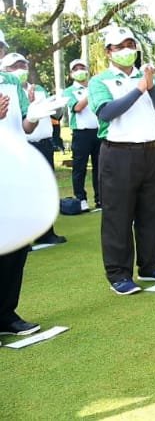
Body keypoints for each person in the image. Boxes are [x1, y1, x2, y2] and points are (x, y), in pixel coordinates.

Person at [89, 26, 155, 295]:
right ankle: (118, 273)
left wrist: (149, 87)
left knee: (151, 212)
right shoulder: (100, 81)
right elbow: (107, 112)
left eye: (130, 44)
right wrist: (139, 89)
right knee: (118, 215)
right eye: (119, 46)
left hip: (151, 151)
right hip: (118, 153)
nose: (127, 50)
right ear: (109, 52)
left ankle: (150, 265)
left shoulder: (148, 76)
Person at [0, 29, 49, 337]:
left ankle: (6, 313)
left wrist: (35, 115)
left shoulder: (11, 82)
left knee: (16, 245)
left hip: (14, 167)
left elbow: (24, 126)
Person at [0, 53, 67, 246]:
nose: (20, 69)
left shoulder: (16, 84)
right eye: (15, 65)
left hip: (26, 151)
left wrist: (32, 116)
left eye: (23, 65)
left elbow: (26, 126)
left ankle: (37, 234)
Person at [64, 59, 101, 211]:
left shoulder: (95, 87)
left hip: (98, 131)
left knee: (100, 167)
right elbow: (77, 107)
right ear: (71, 74)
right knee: (80, 167)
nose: (79, 70)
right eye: (76, 69)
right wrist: (90, 93)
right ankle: (81, 198)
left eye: (82, 68)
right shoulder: (68, 91)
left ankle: (100, 198)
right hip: (81, 133)